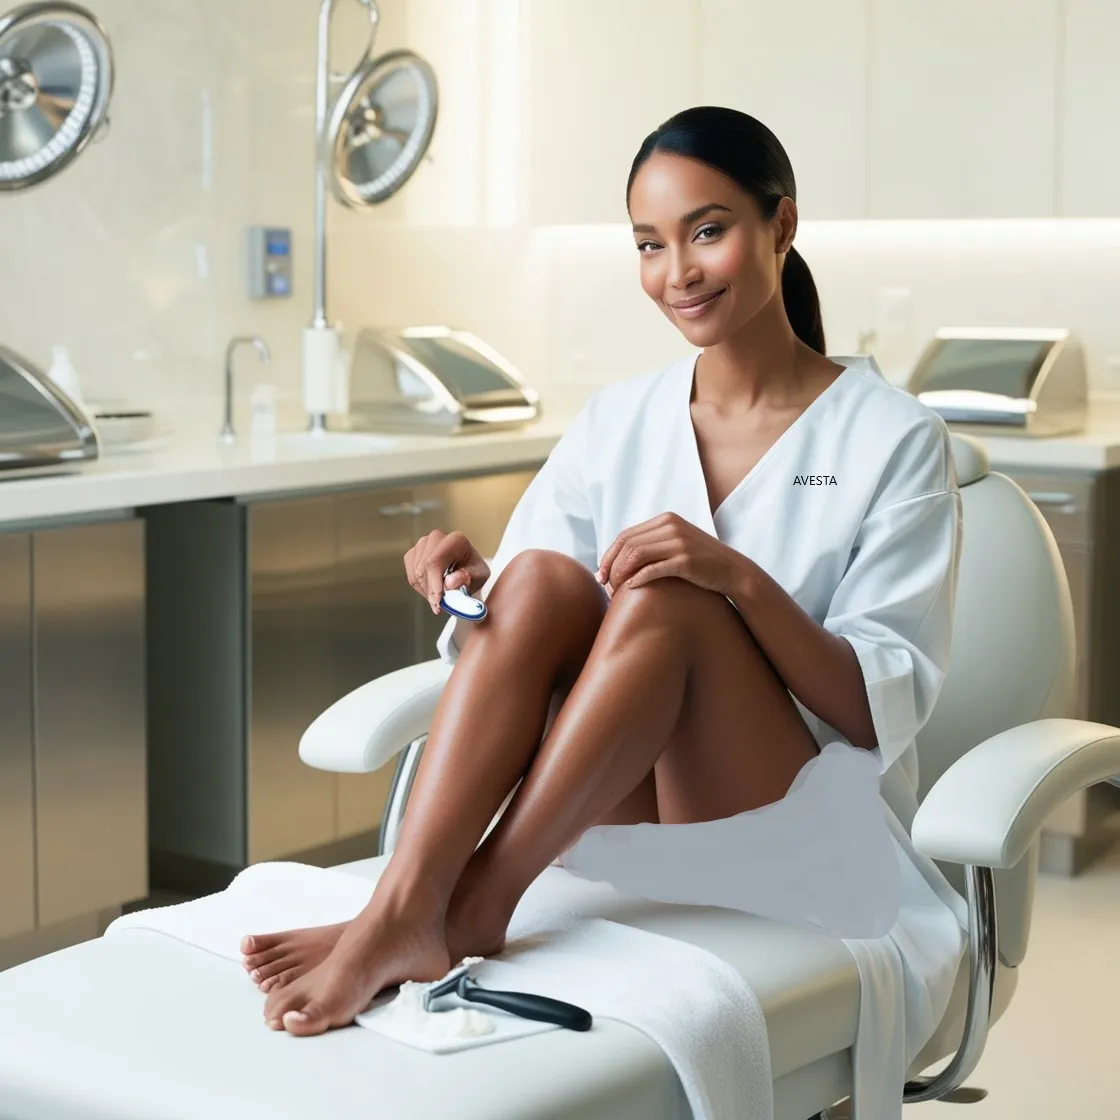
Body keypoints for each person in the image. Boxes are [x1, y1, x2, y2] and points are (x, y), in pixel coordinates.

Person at [239, 107, 966, 1060]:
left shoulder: (893, 437)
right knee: (538, 577)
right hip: (616, 814)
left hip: (790, 828)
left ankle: (470, 907)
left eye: (708, 231)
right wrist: (470, 586)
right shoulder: (618, 419)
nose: (678, 273)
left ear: (781, 227)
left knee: (672, 595)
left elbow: (877, 709)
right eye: (649, 245)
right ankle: (407, 907)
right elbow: (529, 623)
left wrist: (738, 582)